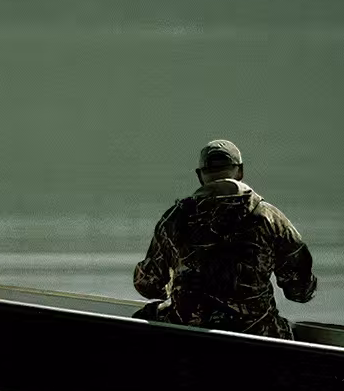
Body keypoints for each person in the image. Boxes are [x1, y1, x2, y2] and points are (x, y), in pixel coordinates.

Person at [132, 139, 317, 338]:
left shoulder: (175, 218)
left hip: (189, 329)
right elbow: (301, 292)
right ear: (240, 171)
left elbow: (147, 285)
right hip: (256, 331)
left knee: (142, 318)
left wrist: (173, 290)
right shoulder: (269, 218)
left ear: (200, 176)